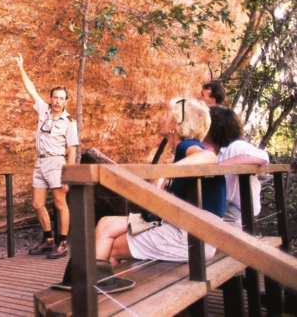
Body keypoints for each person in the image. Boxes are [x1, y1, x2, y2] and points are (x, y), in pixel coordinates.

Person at [92, 98, 221, 267]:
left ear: (175, 124)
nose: (162, 119)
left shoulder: (187, 147)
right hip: (183, 225)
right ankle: (102, 283)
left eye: (167, 115)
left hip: (193, 236)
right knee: (106, 224)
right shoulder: (183, 152)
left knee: (112, 247)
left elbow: (210, 157)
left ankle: (97, 289)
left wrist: (166, 172)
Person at [15, 53, 79, 259]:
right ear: (51, 98)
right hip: (40, 162)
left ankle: (63, 244)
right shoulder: (43, 110)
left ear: (66, 101)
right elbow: (31, 89)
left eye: (62, 98)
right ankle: (48, 240)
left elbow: (73, 149)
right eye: (55, 97)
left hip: (57, 163)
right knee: (37, 204)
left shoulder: (69, 121)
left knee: (60, 204)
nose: (58, 101)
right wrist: (21, 67)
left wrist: (69, 175)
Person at [203, 106, 269, 229]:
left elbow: (262, 157)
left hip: (238, 212)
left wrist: (220, 166)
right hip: (227, 209)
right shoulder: (217, 150)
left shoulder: (236, 146)